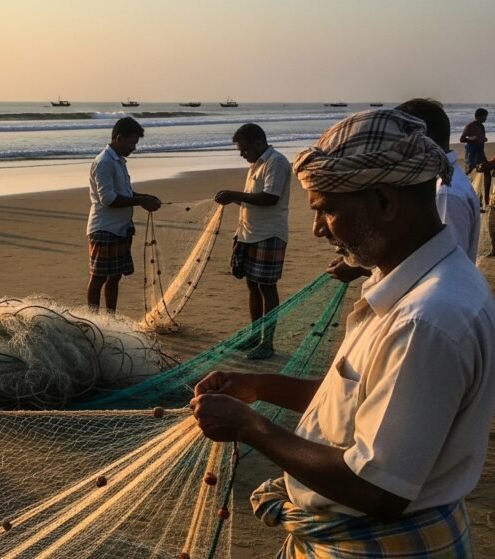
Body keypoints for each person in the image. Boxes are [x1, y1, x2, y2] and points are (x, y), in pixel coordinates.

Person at [191, 110, 495, 557]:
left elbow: (378, 488)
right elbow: (365, 400)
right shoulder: (414, 286)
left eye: (328, 210)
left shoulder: (425, 320)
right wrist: (260, 387)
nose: (317, 230)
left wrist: (247, 426)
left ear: (384, 202)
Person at [328, 99, 482, 281]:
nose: (391, 145)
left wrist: (362, 269)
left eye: (397, 137)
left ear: (421, 138)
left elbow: (443, 268)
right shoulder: (438, 183)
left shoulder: (445, 192)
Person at [213, 123, 291, 360]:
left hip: (269, 234)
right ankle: (255, 334)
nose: (242, 154)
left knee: (267, 286)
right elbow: (253, 199)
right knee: (251, 284)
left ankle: (267, 342)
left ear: (258, 143)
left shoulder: (276, 162)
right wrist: (232, 199)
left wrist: (234, 195)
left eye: (244, 149)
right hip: (249, 233)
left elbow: (269, 198)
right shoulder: (255, 164)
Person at [86, 116, 162, 314]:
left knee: (115, 276)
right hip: (104, 228)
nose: (133, 148)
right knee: (99, 277)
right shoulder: (104, 162)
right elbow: (108, 199)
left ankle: (110, 317)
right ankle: (93, 319)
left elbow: (125, 193)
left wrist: (144, 197)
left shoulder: (118, 160)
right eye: (132, 143)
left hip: (121, 228)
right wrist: (140, 201)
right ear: (119, 138)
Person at [461, 108, 489, 207]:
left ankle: (484, 199)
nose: (486, 118)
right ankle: (464, 196)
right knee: (469, 173)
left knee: (486, 171)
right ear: (478, 116)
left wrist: (483, 139)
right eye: (484, 116)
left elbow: (482, 137)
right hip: (472, 153)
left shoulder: (481, 126)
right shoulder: (470, 126)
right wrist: (473, 141)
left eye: (486, 116)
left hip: (480, 152)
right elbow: (462, 139)